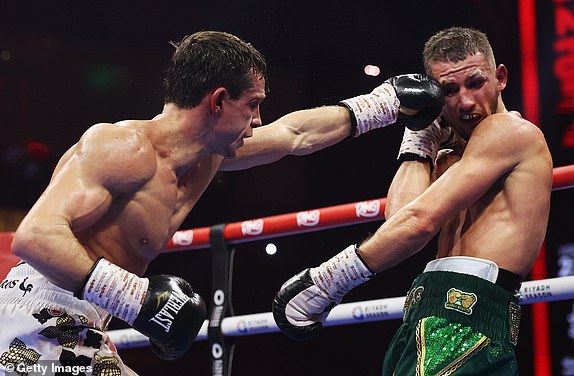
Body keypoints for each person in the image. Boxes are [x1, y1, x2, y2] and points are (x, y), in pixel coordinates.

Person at [1, 30, 443, 374]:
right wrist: (136, 300)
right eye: (252, 105)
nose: (257, 121)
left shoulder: (209, 155)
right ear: (217, 101)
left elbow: (294, 135)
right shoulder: (120, 147)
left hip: (83, 322)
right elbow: (35, 236)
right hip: (34, 318)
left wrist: (383, 104)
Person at [273, 26, 553, 375]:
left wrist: (329, 280)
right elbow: (399, 221)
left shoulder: (510, 131)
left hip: (467, 323)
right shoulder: (453, 155)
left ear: (500, 78)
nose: (465, 101)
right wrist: (419, 140)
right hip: (425, 316)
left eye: (475, 83)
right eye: (449, 90)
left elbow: (418, 223)